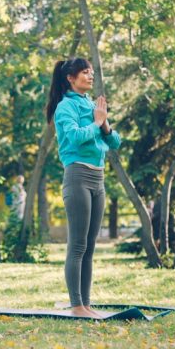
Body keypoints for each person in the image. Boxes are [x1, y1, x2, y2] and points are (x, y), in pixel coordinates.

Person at [46, 58, 121, 319]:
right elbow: (76, 136)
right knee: (77, 245)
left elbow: (115, 142)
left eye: (91, 73)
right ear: (70, 78)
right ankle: (76, 305)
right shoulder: (65, 107)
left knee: (90, 245)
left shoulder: (92, 105)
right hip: (77, 175)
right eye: (85, 73)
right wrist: (96, 122)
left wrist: (104, 123)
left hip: (98, 179)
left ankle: (86, 305)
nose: (91, 77)